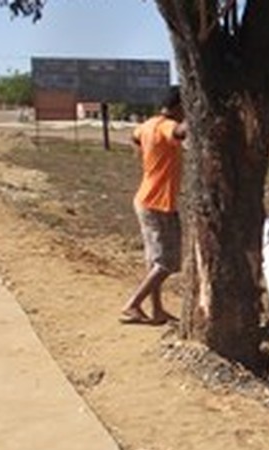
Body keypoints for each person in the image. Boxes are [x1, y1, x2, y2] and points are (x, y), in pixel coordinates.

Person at [120, 85, 187, 325]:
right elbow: (179, 132)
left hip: (146, 199)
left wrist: (140, 151)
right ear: (179, 107)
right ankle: (133, 304)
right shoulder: (166, 126)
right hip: (158, 203)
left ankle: (157, 310)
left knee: (154, 260)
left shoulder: (148, 125)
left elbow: (134, 135)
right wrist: (199, 116)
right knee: (168, 262)